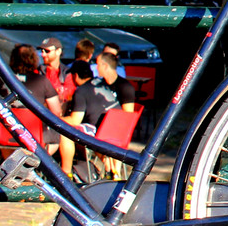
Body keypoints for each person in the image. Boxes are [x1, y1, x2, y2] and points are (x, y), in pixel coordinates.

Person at [67, 48, 138, 182]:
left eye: (98, 64)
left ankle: (111, 171)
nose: (96, 68)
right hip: (100, 129)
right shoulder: (99, 85)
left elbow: (127, 118)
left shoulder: (124, 86)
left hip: (114, 131)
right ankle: (111, 172)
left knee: (102, 138)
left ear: (105, 66)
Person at [9, 43, 63, 166]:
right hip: (34, 136)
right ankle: (34, 166)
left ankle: (14, 166)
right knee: (56, 135)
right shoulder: (42, 81)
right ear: (33, 59)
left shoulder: (2, 79)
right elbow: (56, 111)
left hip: (7, 133)